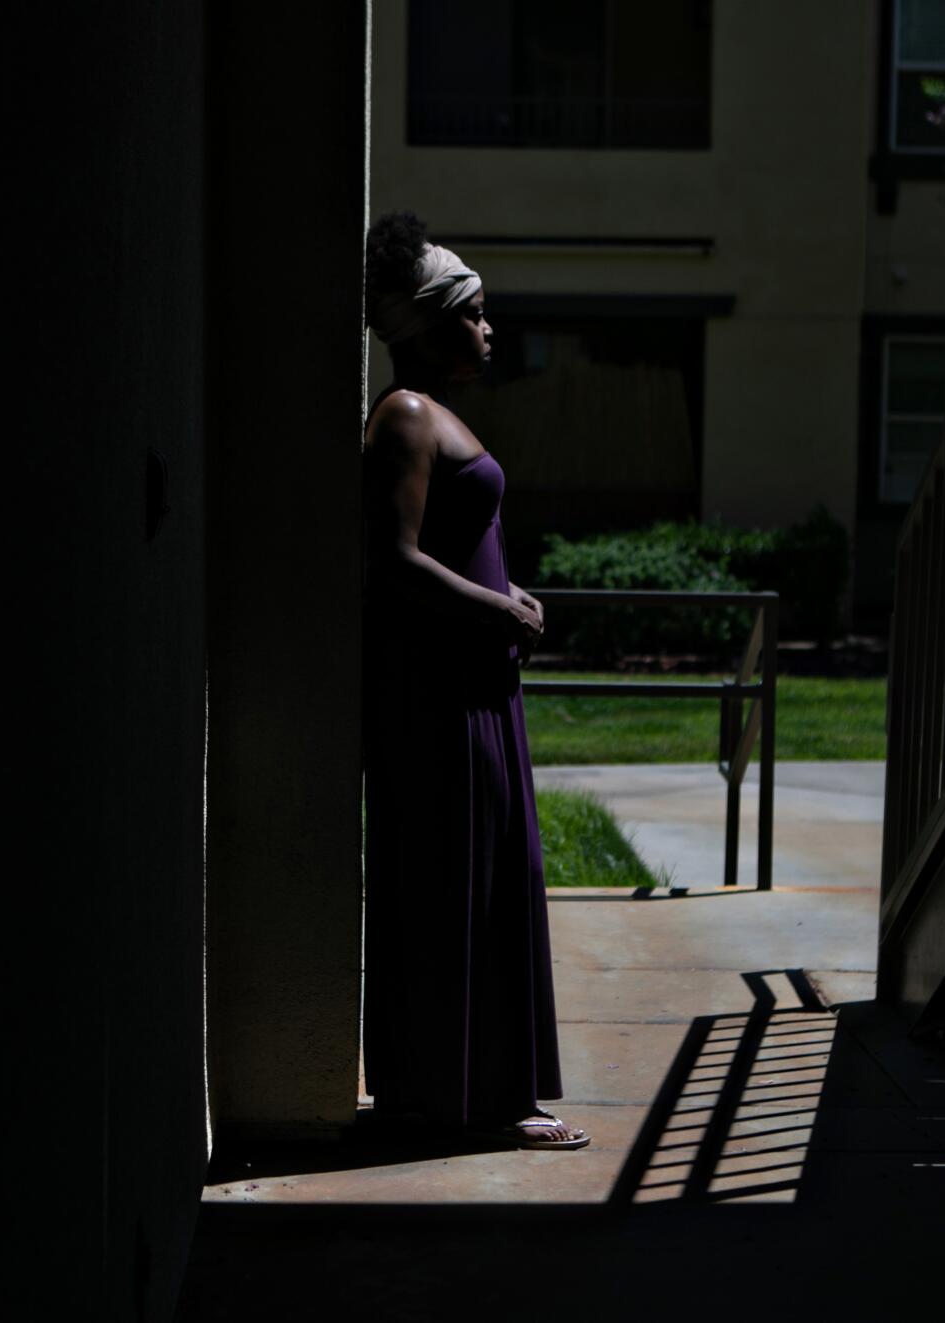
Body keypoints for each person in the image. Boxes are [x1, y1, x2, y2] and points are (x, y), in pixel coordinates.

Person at [359, 211, 587, 1151]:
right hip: (442, 698)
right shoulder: (407, 415)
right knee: (466, 879)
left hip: (476, 692)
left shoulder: (435, 413)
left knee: (490, 872)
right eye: (477, 313)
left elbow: (453, 545)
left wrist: (506, 591)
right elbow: (392, 559)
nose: (491, 329)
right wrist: (496, 611)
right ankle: (481, 1100)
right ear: (431, 322)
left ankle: (469, 1091)